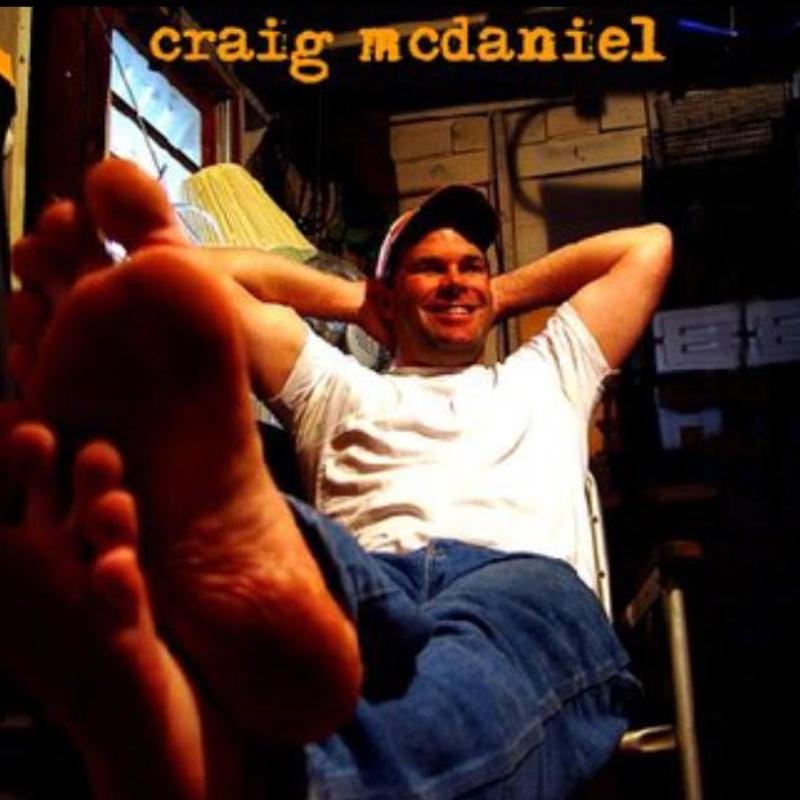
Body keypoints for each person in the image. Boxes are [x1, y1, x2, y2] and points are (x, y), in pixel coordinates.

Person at [0, 158, 672, 799]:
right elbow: (179, 273)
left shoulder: (549, 372)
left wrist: (492, 296)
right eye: (429, 269)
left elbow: (648, 246)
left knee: (469, 674)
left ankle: (225, 742)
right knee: (312, 558)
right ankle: (235, 681)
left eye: (471, 266)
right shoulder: (336, 384)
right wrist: (354, 299)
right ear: (388, 292)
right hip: (364, 578)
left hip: (518, 585)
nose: (455, 280)